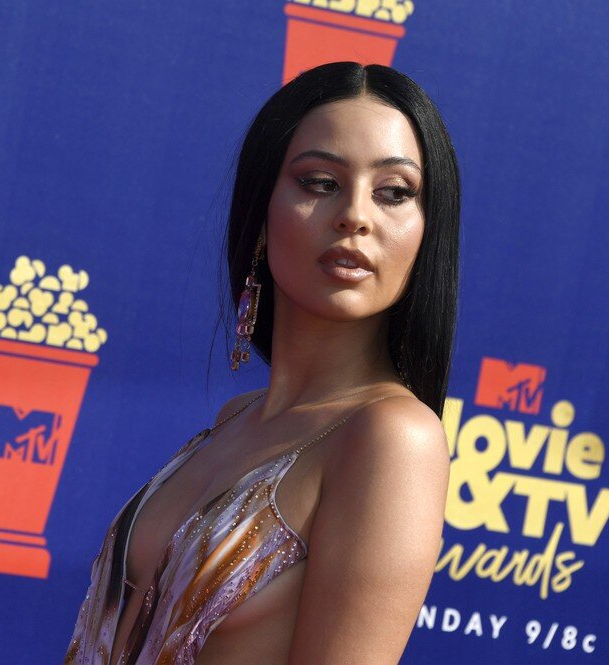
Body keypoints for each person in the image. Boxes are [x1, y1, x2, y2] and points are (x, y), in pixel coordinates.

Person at [64, 61, 460, 664]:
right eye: (320, 182)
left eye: (394, 192)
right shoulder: (236, 419)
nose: (356, 215)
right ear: (260, 214)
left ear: (427, 233)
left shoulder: (391, 440)